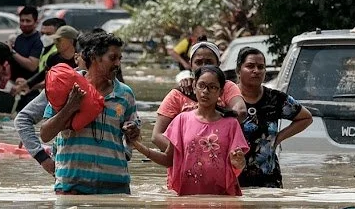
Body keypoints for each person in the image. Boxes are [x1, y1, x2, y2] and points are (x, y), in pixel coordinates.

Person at [38, 31, 141, 195]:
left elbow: (133, 137)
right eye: (112, 58)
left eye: (119, 59)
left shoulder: (125, 94)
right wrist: (71, 106)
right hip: (71, 186)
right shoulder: (67, 86)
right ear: (94, 57)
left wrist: (133, 132)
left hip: (115, 187)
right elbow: (45, 134)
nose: (117, 64)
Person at [130, 65, 248, 196]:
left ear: (220, 92)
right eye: (201, 85)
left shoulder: (231, 124)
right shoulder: (182, 120)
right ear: (194, 87)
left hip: (222, 198)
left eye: (212, 87)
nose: (205, 91)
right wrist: (137, 146)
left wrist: (240, 163)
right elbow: (169, 160)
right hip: (187, 196)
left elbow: (238, 165)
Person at [231, 46, 313, 189]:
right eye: (250, 66)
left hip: (268, 179)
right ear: (239, 70)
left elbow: (306, 118)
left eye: (261, 67)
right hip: (234, 178)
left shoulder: (275, 99)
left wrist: (278, 138)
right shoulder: (227, 98)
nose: (256, 71)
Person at [155, 41, 243, 132]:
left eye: (209, 62)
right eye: (198, 62)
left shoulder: (227, 87)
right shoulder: (179, 93)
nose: (204, 67)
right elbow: (157, 135)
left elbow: (241, 111)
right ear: (190, 64)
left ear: (218, 64)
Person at [10, 5, 44, 80]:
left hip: (29, 85)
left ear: (36, 22)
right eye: (22, 20)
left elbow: (32, 66)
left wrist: (12, 52)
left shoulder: (38, 40)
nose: (24, 24)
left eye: (28, 21)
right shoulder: (19, 38)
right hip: (14, 83)